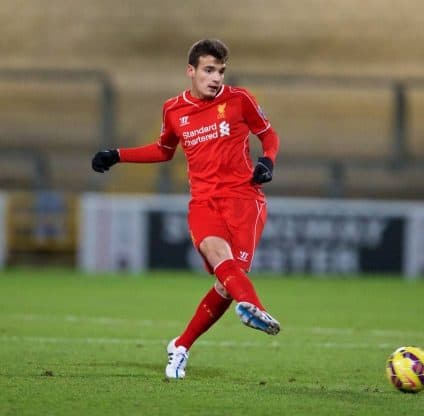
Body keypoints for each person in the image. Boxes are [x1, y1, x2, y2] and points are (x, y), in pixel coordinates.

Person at [91, 39, 281, 379]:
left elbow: (269, 136)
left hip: (245, 201)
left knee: (227, 283)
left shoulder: (240, 100)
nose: (216, 78)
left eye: (221, 71)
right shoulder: (174, 110)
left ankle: (180, 345)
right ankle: (255, 309)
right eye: (208, 70)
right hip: (204, 202)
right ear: (190, 71)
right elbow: (163, 150)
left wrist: (267, 161)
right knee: (220, 259)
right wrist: (117, 154)